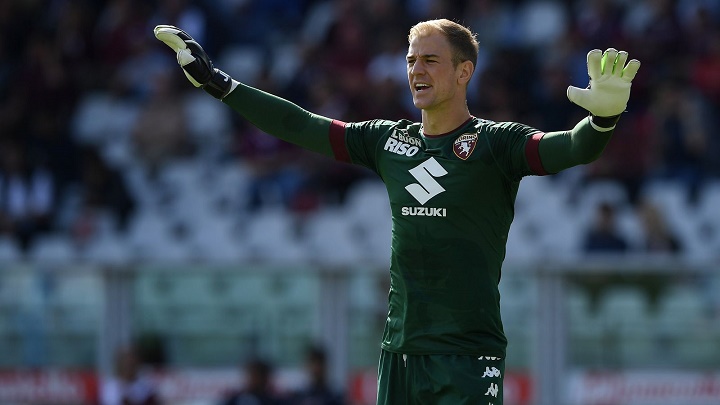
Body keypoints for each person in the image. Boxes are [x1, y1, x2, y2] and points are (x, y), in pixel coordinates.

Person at [154, 18, 640, 404]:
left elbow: (572, 149)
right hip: (399, 352)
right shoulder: (388, 140)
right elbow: (301, 125)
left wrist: (603, 119)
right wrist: (221, 84)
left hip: (468, 356)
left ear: (464, 72)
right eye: (411, 61)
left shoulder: (496, 144)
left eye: (431, 60)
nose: (416, 71)